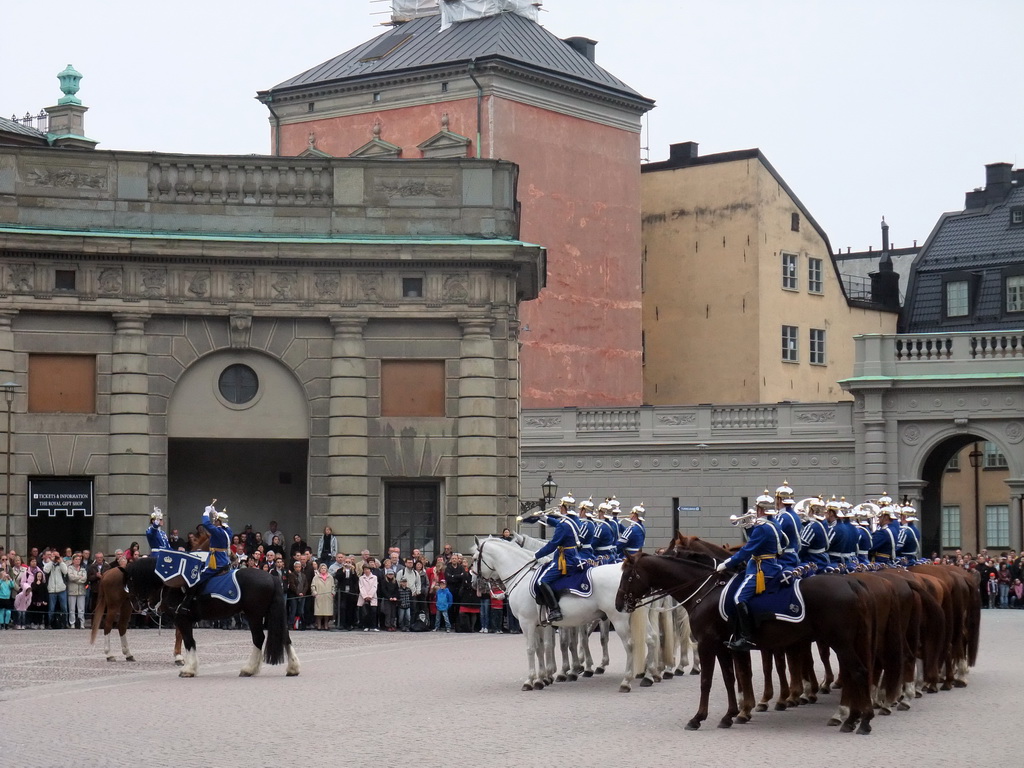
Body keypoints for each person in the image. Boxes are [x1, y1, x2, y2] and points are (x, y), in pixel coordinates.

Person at [715, 501, 786, 651]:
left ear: (761, 510)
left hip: (762, 569)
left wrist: (726, 564)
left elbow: (747, 550)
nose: (756, 511)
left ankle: (746, 637)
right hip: (771, 564)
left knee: (739, 598)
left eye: (757, 508)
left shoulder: (762, 527)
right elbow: (759, 542)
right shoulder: (774, 523)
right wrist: (748, 528)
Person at [532, 494, 583, 623]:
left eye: (561, 507)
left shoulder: (564, 525)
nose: (560, 509)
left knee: (541, 581)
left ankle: (555, 610)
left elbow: (553, 545)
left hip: (566, 559)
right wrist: (545, 518)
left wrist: (537, 555)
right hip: (574, 555)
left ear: (565, 508)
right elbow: (561, 523)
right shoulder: (575, 520)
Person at [177, 499, 232, 618]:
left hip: (217, 561)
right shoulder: (227, 530)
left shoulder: (217, 531)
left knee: (196, 578)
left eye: (216, 520)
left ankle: (187, 603)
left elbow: (206, 524)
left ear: (219, 522)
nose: (215, 521)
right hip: (222, 558)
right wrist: (214, 512)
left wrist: (206, 513)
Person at [42, 550, 68, 629]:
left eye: (57, 556)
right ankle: (50, 623)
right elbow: (46, 570)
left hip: (61, 589)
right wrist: (51, 561)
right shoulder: (48, 564)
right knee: (51, 608)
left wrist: (61, 562)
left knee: (64, 608)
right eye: (55, 556)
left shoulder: (61, 564)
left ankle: (64, 623)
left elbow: (65, 571)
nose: (56, 558)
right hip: (52, 590)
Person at [869, 499, 901, 563]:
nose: (878, 519)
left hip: (880, 561)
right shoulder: (892, 529)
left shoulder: (883, 532)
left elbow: (871, 547)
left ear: (886, 517)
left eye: (880, 517)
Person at [66, 553, 88, 629]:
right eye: (76, 559)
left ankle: (82, 623)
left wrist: (77, 578)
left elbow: (84, 579)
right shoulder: (69, 568)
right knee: (72, 608)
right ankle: (72, 623)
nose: (78, 561)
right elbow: (71, 577)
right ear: (73, 560)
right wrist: (79, 578)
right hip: (72, 591)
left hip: (81, 590)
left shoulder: (83, 568)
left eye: (79, 559)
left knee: (81, 608)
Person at [310, 563, 335, 630]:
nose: (323, 570)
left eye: (325, 568)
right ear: (319, 569)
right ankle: (319, 625)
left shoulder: (330, 577)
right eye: (322, 568)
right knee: (319, 611)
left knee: (327, 611)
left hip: (328, 596)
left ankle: (326, 625)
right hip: (319, 596)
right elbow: (313, 586)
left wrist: (332, 593)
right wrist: (314, 592)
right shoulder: (316, 577)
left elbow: (333, 586)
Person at [358, 565, 379, 631]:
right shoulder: (361, 578)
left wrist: (370, 595)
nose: (366, 571)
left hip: (372, 596)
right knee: (365, 613)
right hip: (363, 596)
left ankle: (373, 626)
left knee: (373, 611)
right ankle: (366, 626)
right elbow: (361, 587)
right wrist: (365, 596)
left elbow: (374, 586)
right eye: (365, 569)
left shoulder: (374, 577)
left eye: (368, 569)